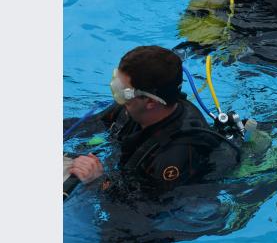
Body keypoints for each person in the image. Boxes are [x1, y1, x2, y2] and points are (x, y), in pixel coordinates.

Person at [67, 46, 240, 192]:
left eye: (122, 90)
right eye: (116, 86)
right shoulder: (133, 103)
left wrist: (97, 181)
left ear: (150, 101)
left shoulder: (174, 154)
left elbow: (136, 214)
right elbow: (88, 125)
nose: (117, 95)